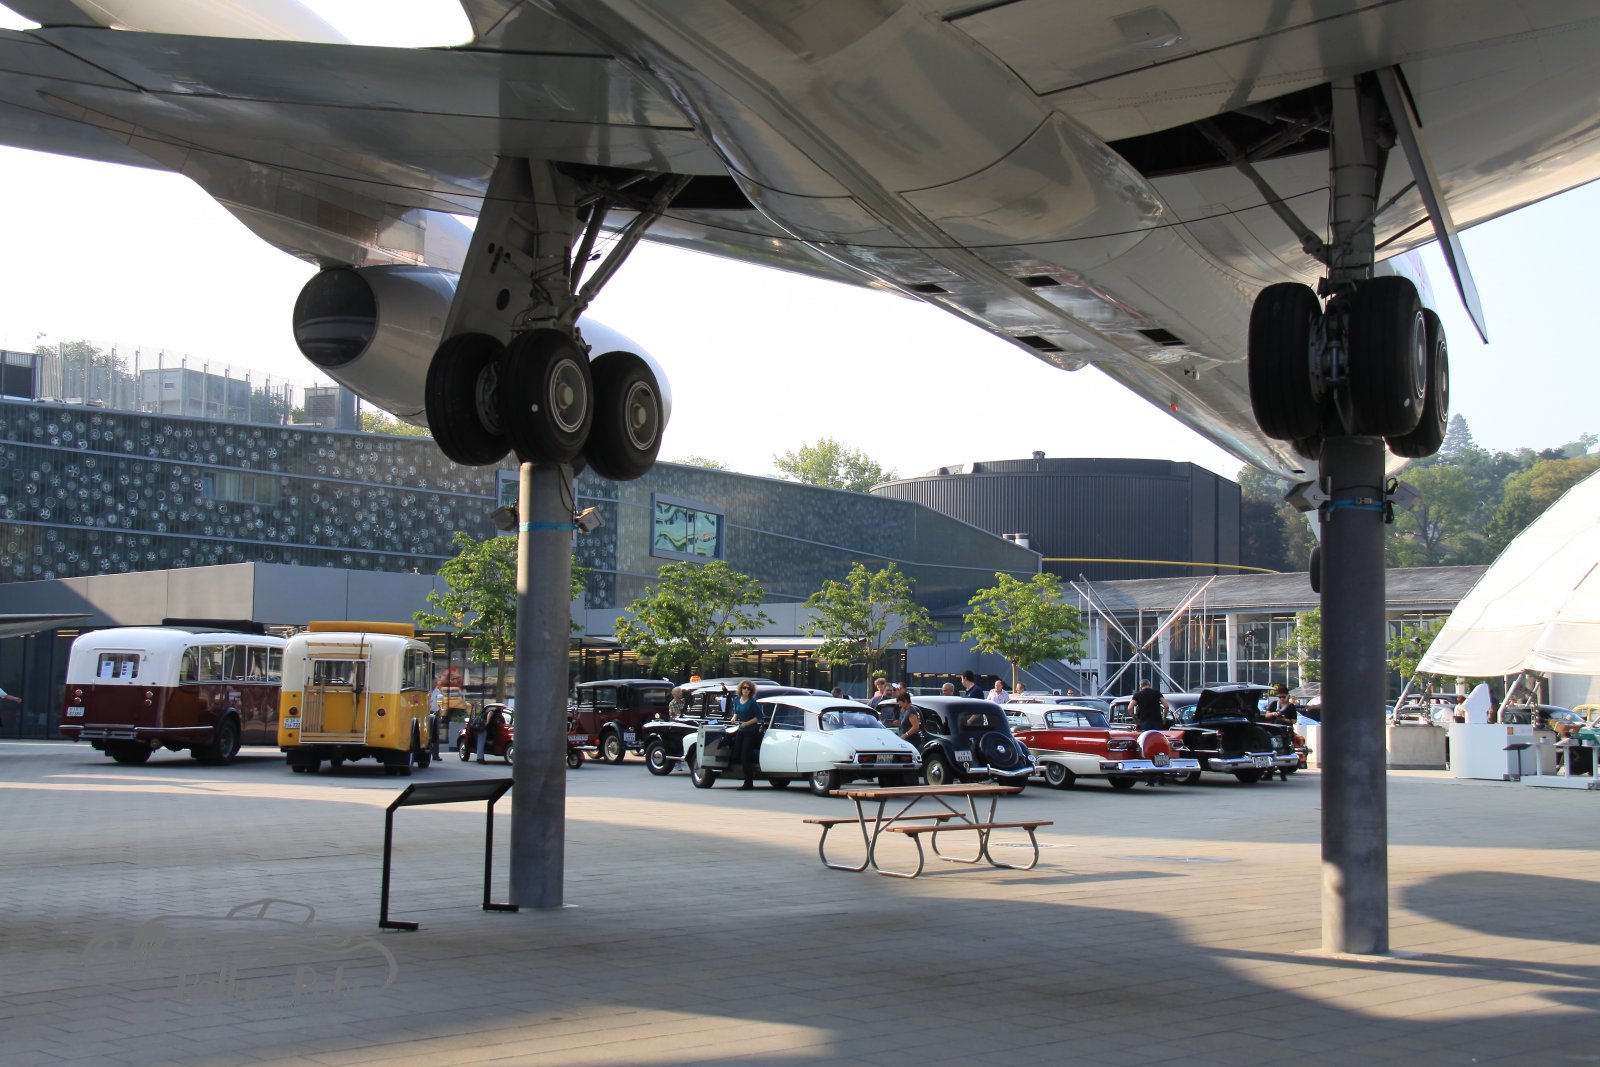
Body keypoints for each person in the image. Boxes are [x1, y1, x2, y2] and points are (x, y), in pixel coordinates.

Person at [729, 680, 762, 789]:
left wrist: (747, 723)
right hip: (741, 730)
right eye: (744, 688)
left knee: (745, 756)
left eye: (748, 688)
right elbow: (736, 712)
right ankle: (744, 773)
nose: (746, 690)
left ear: (751, 691)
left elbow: (759, 717)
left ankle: (748, 782)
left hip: (751, 731)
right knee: (736, 753)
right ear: (741, 689)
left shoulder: (752, 702)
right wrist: (734, 718)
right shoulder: (737, 699)